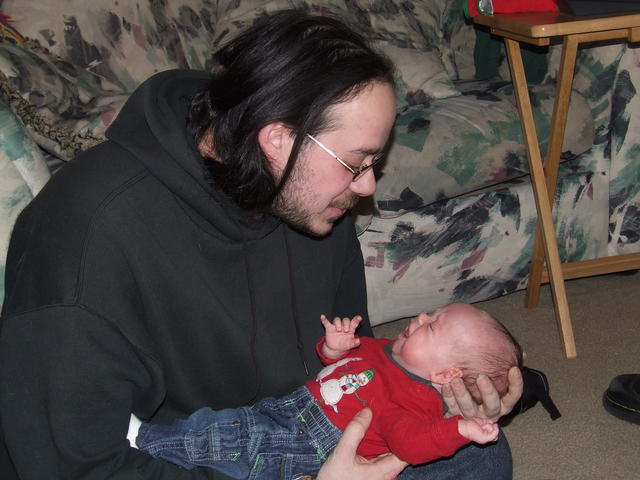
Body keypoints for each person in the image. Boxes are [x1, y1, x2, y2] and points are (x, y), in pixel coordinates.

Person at [0, 10, 523, 480]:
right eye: (355, 163)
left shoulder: (309, 197)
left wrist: (444, 397)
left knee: (479, 458)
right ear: (277, 140)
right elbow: (74, 465)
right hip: (182, 456)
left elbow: (356, 364)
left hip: (301, 428)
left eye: (372, 163)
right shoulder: (83, 237)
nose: (367, 186)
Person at [133, 303, 524, 479]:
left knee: (230, 440)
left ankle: (143, 440)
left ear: (446, 373)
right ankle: (158, 444)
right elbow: (341, 365)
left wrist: (459, 429)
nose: (421, 316)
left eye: (432, 326)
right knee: (227, 426)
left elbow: (410, 445)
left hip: (312, 443)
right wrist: (333, 349)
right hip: (292, 409)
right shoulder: (388, 348)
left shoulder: (416, 399)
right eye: (431, 312)